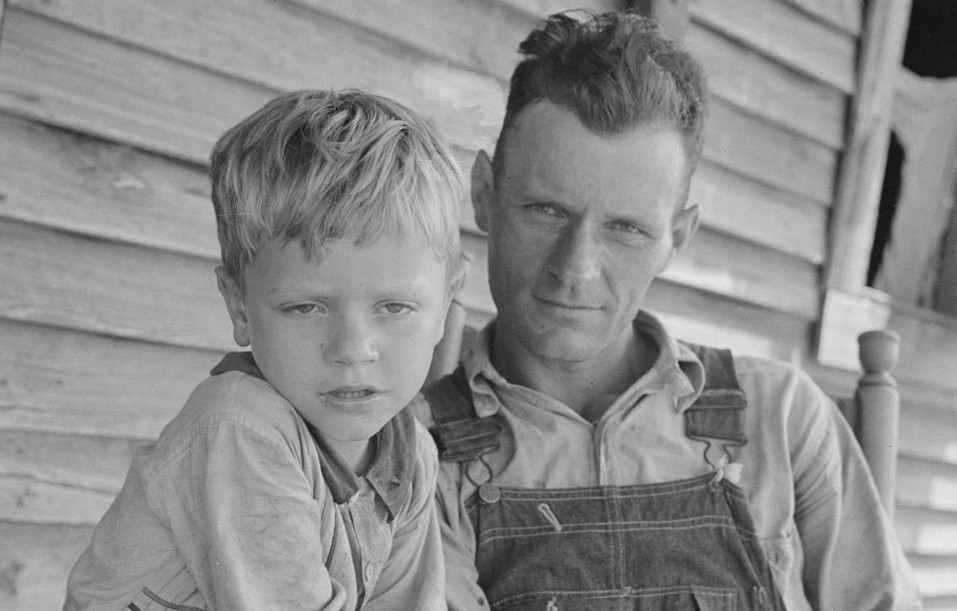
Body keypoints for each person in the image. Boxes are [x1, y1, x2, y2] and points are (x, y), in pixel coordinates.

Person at [411, 10, 922, 610]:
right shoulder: (421, 450)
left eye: (625, 228)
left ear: (676, 238)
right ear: (484, 196)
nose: (576, 266)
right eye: (546, 210)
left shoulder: (779, 421)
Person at [64, 89, 463, 610]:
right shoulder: (240, 430)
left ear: (444, 307)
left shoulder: (411, 456)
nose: (352, 350)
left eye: (395, 307)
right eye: (306, 308)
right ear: (240, 306)